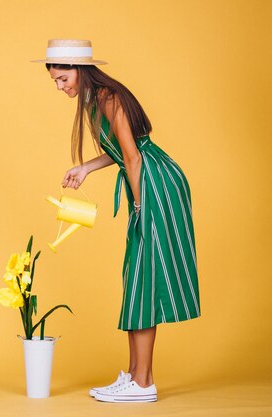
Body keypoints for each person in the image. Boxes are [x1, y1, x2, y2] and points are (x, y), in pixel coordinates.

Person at [31, 39, 201, 403]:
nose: (61, 88)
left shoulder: (108, 97)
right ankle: (139, 376)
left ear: (80, 70)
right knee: (137, 274)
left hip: (155, 182)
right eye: (56, 82)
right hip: (147, 180)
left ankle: (142, 385)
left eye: (63, 79)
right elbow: (122, 152)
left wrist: (141, 207)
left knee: (144, 276)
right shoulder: (95, 100)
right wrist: (86, 168)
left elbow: (134, 157)